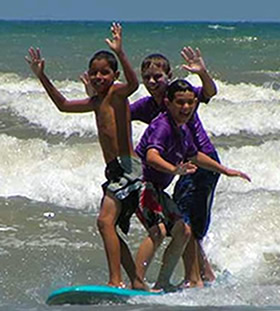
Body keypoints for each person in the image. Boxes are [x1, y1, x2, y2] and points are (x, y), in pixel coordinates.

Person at [25, 23, 146, 289]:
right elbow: (63, 105)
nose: (98, 77)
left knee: (104, 222)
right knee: (109, 227)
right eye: (94, 73)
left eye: (104, 72)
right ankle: (137, 283)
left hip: (128, 167)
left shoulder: (116, 94)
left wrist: (121, 52)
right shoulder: (95, 102)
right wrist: (41, 76)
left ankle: (116, 281)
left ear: (114, 75)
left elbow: (134, 83)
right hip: (114, 170)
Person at [134, 78, 251, 290]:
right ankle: (137, 282)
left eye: (190, 102)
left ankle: (162, 283)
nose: (186, 107)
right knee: (158, 231)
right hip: (142, 186)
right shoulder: (162, 126)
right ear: (168, 103)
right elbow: (151, 156)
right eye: (180, 102)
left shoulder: (182, 129)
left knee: (184, 231)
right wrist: (173, 169)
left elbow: (194, 155)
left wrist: (224, 170)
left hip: (157, 190)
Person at [130, 49, 219, 287]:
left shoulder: (182, 96)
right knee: (184, 224)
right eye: (147, 77)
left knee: (186, 222)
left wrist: (202, 73)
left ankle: (195, 278)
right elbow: (119, 115)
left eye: (157, 76)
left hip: (201, 162)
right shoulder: (147, 106)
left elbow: (209, 93)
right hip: (180, 165)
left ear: (168, 75)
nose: (151, 82)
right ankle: (204, 275)